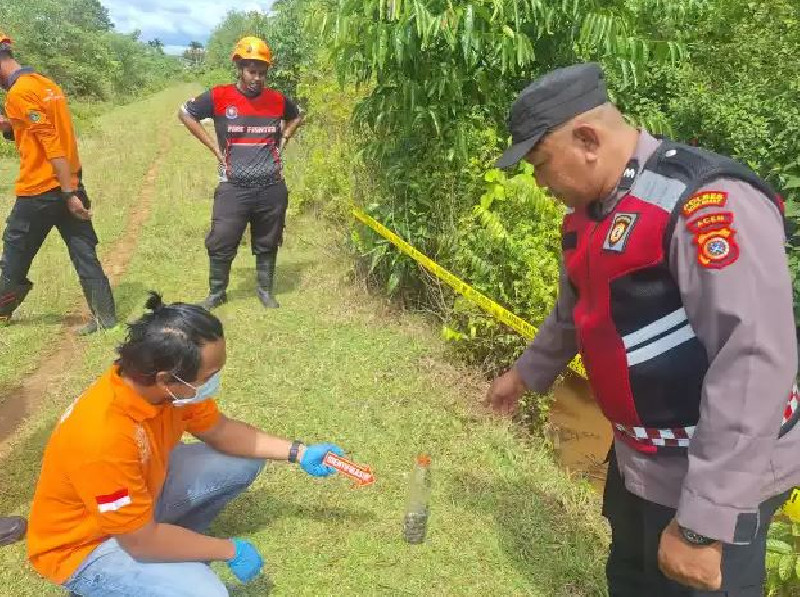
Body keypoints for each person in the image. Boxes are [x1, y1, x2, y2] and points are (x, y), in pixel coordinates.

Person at [487, 62, 800, 595]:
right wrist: (523, 375)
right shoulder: (592, 212)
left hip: (714, 477)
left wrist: (703, 525)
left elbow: (753, 359)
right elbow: (577, 308)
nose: (539, 183)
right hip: (641, 463)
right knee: (631, 580)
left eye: (540, 164)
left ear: (587, 139)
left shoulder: (706, 203)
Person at [26, 292, 346, 596]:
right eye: (210, 375)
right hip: (86, 546)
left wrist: (299, 453)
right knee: (206, 593)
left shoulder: (167, 390)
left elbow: (219, 431)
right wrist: (228, 550)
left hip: (137, 505)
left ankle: (177, 548)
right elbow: (140, 541)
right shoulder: (102, 439)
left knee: (244, 459)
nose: (214, 381)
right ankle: (103, 583)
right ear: (167, 379)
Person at [0, 32, 116, 333]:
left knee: (15, 250)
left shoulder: (18, 93)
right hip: (70, 180)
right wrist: (8, 126)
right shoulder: (45, 84)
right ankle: (105, 317)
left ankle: (2, 310)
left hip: (42, 189)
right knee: (84, 252)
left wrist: (68, 194)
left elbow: (51, 143)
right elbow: (41, 129)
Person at [178, 36, 303, 311]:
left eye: (262, 72)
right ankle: (216, 293)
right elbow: (185, 113)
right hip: (233, 185)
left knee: (268, 239)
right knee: (222, 238)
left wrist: (285, 137)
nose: (257, 78)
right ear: (240, 68)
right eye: (251, 71)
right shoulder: (219, 96)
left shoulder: (277, 100)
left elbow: (298, 114)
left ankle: (265, 291)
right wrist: (214, 147)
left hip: (272, 185)